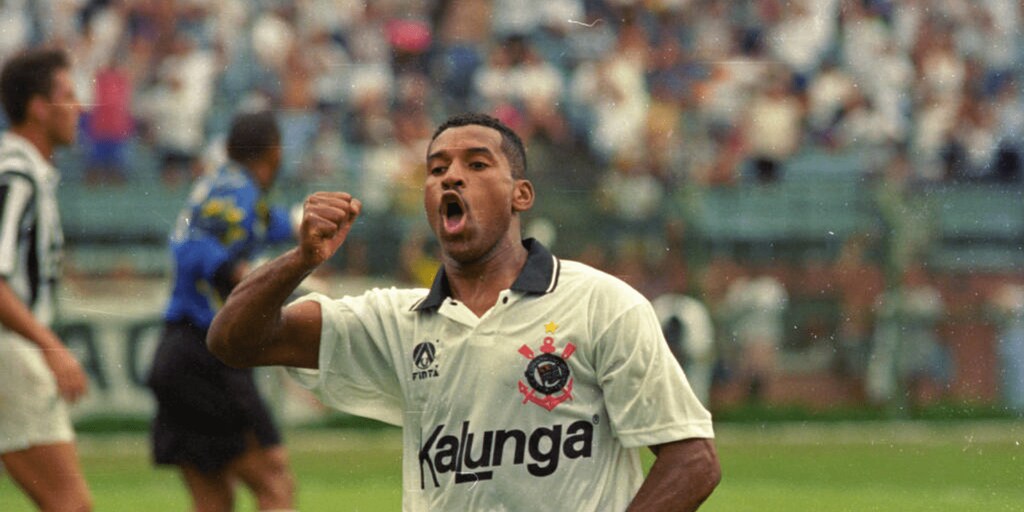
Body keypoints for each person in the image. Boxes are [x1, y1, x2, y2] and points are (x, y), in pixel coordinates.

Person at [208, 112, 721, 511]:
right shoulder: (397, 322)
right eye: (438, 169)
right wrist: (301, 260)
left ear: (521, 194)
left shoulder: (599, 304)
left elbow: (693, 462)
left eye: (476, 164)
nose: (452, 177)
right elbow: (233, 341)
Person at [145, 110, 296, 512]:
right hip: (206, 354)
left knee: (214, 501)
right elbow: (193, 245)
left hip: (177, 353)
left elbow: (267, 224)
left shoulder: (221, 185)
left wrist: (304, 224)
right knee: (276, 481)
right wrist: (236, 273)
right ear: (274, 152)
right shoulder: (237, 191)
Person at [0, 47, 92, 512]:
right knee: (70, 506)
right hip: (10, 351)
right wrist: (49, 346)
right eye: (69, 96)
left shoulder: (26, 171)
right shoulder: (17, 175)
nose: (79, 108)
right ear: (39, 107)